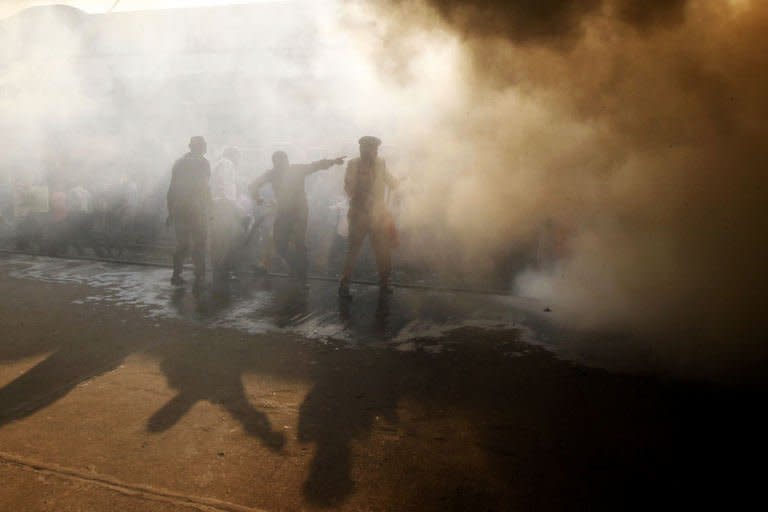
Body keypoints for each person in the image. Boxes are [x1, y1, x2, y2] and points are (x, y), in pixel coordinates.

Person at [250, 151, 345, 285]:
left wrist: (333, 161)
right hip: (283, 212)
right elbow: (253, 185)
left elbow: (316, 165)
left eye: (283, 162)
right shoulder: (272, 173)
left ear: (287, 161)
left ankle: (302, 277)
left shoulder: (296, 169)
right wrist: (257, 198)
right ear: (274, 163)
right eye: (278, 163)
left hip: (299, 211)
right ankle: (295, 269)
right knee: (279, 243)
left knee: (299, 243)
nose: (281, 165)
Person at [338, 136, 398, 299]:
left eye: (376, 149)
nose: (375, 152)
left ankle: (385, 282)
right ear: (363, 149)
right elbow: (349, 187)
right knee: (353, 250)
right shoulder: (353, 164)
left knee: (383, 250)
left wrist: (400, 184)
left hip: (378, 216)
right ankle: (344, 282)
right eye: (372, 149)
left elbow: (388, 179)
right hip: (359, 215)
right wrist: (363, 196)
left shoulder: (380, 163)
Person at [166, 136, 212, 290]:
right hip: (197, 210)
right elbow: (204, 187)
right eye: (203, 145)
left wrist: (170, 211)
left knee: (183, 243)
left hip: (180, 209)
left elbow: (172, 188)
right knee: (200, 243)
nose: (205, 147)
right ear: (199, 147)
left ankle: (176, 275)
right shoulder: (203, 162)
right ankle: (200, 277)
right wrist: (210, 208)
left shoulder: (179, 162)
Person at [210, 147, 245, 286]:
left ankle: (219, 271)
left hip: (220, 204)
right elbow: (224, 185)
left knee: (220, 239)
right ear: (233, 156)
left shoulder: (220, 163)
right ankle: (222, 271)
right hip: (224, 205)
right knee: (224, 239)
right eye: (238, 157)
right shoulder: (227, 164)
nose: (239, 161)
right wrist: (233, 205)